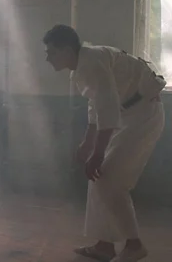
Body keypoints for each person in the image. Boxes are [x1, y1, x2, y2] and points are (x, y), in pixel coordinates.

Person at [43, 24, 166, 262]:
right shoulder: (82, 66)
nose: (47, 58)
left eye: (52, 52)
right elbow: (96, 106)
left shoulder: (91, 61)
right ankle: (104, 246)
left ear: (67, 49)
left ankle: (134, 245)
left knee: (109, 179)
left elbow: (107, 109)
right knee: (98, 177)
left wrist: (97, 153)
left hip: (143, 116)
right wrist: (88, 144)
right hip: (128, 116)